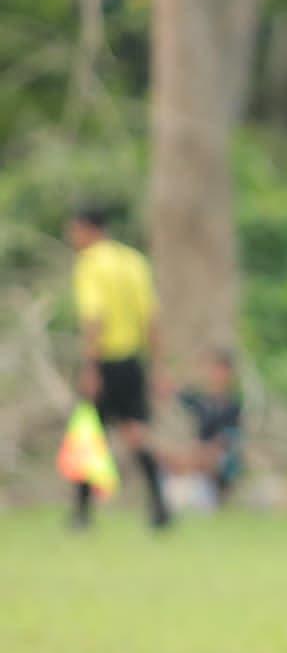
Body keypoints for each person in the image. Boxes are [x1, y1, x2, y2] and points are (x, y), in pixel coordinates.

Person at [67, 205, 166, 532]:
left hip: (106, 361)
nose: (73, 237)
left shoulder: (91, 264)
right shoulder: (133, 261)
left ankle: (82, 515)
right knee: (136, 434)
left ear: (89, 229)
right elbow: (151, 319)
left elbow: (94, 319)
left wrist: (90, 368)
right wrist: (158, 366)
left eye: (75, 230)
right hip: (133, 361)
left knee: (90, 435)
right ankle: (160, 506)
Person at [174, 348, 246, 510]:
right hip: (199, 452)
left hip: (221, 456)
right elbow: (175, 391)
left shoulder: (234, 405)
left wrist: (203, 450)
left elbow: (229, 439)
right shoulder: (201, 401)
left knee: (205, 456)